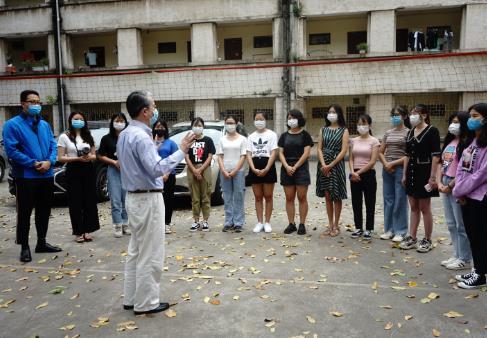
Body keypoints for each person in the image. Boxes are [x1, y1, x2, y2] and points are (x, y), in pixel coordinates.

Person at [117, 90, 195, 315]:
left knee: (136, 250)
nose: (155, 110)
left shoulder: (125, 134)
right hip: (147, 198)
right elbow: (157, 169)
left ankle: (132, 298)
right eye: (153, 106)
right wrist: (181, 151)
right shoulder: (141, 136)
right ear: (144, 111)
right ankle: (146, 303)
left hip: (134, 197)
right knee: (150, 252)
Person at [2, 90, 62, 262]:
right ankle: (24, 246)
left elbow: (52, 145)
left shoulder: (44, 125)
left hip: (47, 175)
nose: (36, 105)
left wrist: (50, 162)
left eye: (38, 101)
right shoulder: (12, 125)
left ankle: (41, 242)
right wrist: (33, 163)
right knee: (24, 213)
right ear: (23, 104)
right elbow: (11, 151)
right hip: (26, 176)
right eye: (32, 101)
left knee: (44, 211)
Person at [453, 103, 487, 289]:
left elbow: (481, 174)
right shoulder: (473, 141)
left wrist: (461, 190)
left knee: (481, 236)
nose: (471, 120)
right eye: (471, 116)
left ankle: (481, 274)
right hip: (466, 195)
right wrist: (459, 189)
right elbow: (461, 168)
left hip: (480, 197)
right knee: (472, 234)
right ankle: (477, 269)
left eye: (475, 116)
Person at [400, 104, 441, 252]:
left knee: (424, 207)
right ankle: (412, 237)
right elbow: (407, 155)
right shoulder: (410, 132)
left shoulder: (432, 130)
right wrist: (404, 174)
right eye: (411, 113)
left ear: (424, 115)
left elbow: (436, 155)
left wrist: (433, 177)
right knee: (413, 207)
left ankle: (427, 239)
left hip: (425, 171)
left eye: (415, 113)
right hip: (411, 171)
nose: (412, 116)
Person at [437, 112, 473, 270]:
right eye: (452, 121)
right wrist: (439, 182)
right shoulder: (450, 141)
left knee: (461, 225)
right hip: (445, 182)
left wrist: (450, 185)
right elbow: (440, 162)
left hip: (456, 184)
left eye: (457, 122)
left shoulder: (468, 144)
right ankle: (457, 254)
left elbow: (465, 170)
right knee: (451, 223)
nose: (453, 125)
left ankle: (465, 258)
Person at [58, 111, 100, 243]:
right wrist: (77, 158)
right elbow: (60, 157)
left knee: (89, 200)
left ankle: (88, 229)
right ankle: (78, 232)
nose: (79, 121)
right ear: (70, 120)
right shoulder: (64, 137)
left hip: (88, 169)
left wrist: (88, 157)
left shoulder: (88, 135)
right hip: (73, 169)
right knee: (75, 201)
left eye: (81, 119)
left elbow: (95, 155)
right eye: (76, 119)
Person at [278, 109, 314, 235]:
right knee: (289, 198)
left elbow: (306, 153)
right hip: (286, 169)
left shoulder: (305, 135)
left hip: (301, 169)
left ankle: (302, 224)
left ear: (299, 119)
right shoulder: (283, 136)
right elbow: (280, 153)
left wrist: (296, 166)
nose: (291, 120)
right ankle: (291, 223)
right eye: (289, 117)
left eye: (293, 117)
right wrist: (287, 166)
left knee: (302, 197)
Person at [316, 104, 349, 237]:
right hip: (323, 165)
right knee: (328, 195)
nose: (331, 114)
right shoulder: (323, 129)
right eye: (329, 112)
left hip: (336, 165)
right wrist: (324, 164)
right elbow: (319, 148)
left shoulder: (344, 131)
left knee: (336, 195)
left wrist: (331, 165)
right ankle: (330, 224)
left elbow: (344, 150)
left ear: (339, 114)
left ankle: (336, 225)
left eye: (334, 112)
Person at [378, 106, 410, 242]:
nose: (395, 117)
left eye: (397, 114)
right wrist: (386, 164)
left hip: (400, 169)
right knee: (388, 200)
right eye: (393, 115)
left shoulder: (409, 133)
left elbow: (409, 155)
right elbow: (380, 151)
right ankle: (389, 229)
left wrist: (393, 164)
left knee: (400, 200)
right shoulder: (388, 132)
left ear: (404, 116)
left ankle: (401, 231)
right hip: (387, 169)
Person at [98, 112, 129, 238]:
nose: (120, 123)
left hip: (127, 171)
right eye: (117, 120)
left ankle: (126, 224)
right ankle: (117, 225)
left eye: (122, 121)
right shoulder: (106, 138)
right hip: (113, 170)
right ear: (112, 122)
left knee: (126, 200)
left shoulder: (128, 137)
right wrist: (113, 162)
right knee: (115, 200)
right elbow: (100, 155)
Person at [348, 114, 380, 240]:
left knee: (369, 202)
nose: (361, 126)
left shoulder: (374, 141)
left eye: (364, 123)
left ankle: (369, 229)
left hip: (368, 174)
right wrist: (352, 172)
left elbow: (372, 162)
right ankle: (358, 227)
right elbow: (350, 158)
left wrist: (358, 173)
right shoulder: (353, 140)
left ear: (370, 125)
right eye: (359, 124)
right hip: (354, 174)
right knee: (356, 202)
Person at [247, 111, 278, 233]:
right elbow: (248, 153)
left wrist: (267, 168)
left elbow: (274, 152)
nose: (258, 121)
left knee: (268, 196)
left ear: (265, 120)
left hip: (268, 167)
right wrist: (253, 168)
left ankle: (267, 222)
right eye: (256, 119)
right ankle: (259, 222)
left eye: (261, 119)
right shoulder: (251, 136)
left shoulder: (272, 135)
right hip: (254, 166)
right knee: (258, 197)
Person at [218, 116, 247, 232]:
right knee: (227, 196)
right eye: (228, 123)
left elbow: (243, 156)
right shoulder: (222, 139)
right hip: (224, 172)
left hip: (238, 172)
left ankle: (238, 222)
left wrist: (235, 170)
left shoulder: (242, 139)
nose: (230, 125)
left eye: (232, 123)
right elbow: (219, 156)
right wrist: (224, 170)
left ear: (236, 124)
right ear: (225, 124)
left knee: (239, 196)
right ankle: (228, 221)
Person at [185, 117, 215, 232]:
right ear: (192, 126)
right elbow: (186, 156)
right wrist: (194, 170)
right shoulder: (189, 141)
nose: (197, 127)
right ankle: (196, 221)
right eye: (195, 125)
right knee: (195, 197)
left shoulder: (208, 140)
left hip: (205, 169)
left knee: (205, 195)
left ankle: (205, 221)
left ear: (203, 127)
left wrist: (201, 169)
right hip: (192, 169)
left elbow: (210, 156)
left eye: (199, 125)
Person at [153, 119, 178, 234]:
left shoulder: (171, 143)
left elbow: (175, 160)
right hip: (154, 176)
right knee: (156, 201)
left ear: (166, 129)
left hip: (168, 176)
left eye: (162, 127)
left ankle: (167, 223)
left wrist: (167, 173)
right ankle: (157, 224)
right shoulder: (150, 142)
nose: (160, 129)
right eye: (157, 126)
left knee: (168, 200)